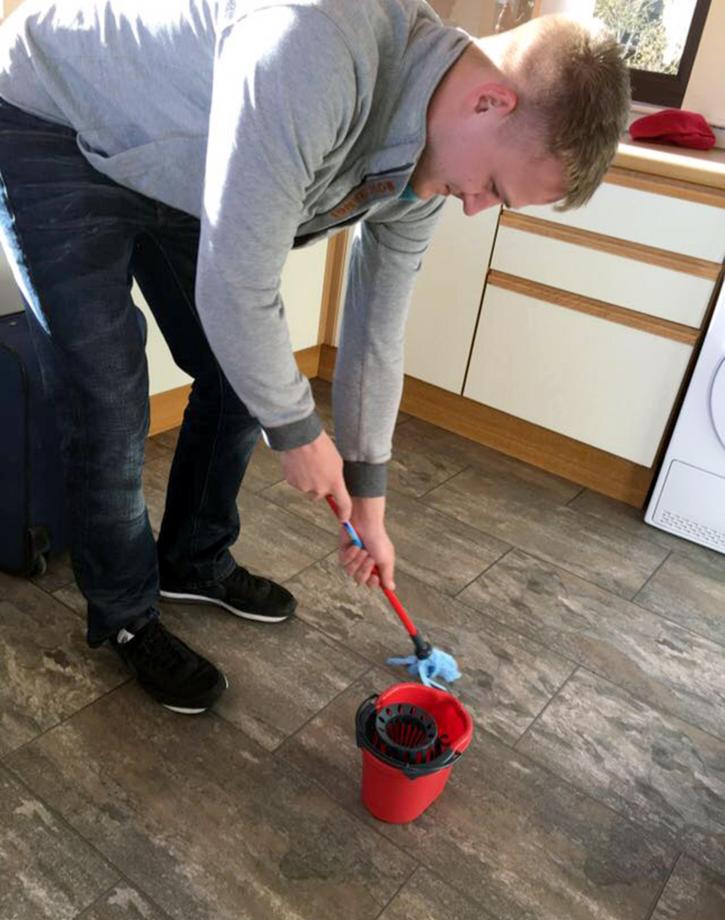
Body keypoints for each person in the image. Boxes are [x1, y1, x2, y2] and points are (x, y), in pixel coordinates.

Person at [0, 0, 630, 714]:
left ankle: (191, 559)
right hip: (51, 117)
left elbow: (376, 331)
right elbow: (237, 286)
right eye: (493, 187)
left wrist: (371, 504)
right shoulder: (317, 45)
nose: (476, 208)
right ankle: (124, 615)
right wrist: (297, 433)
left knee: (245, 378)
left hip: (169, 151)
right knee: (112, 402)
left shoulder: (428, 168)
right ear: (488, 102)